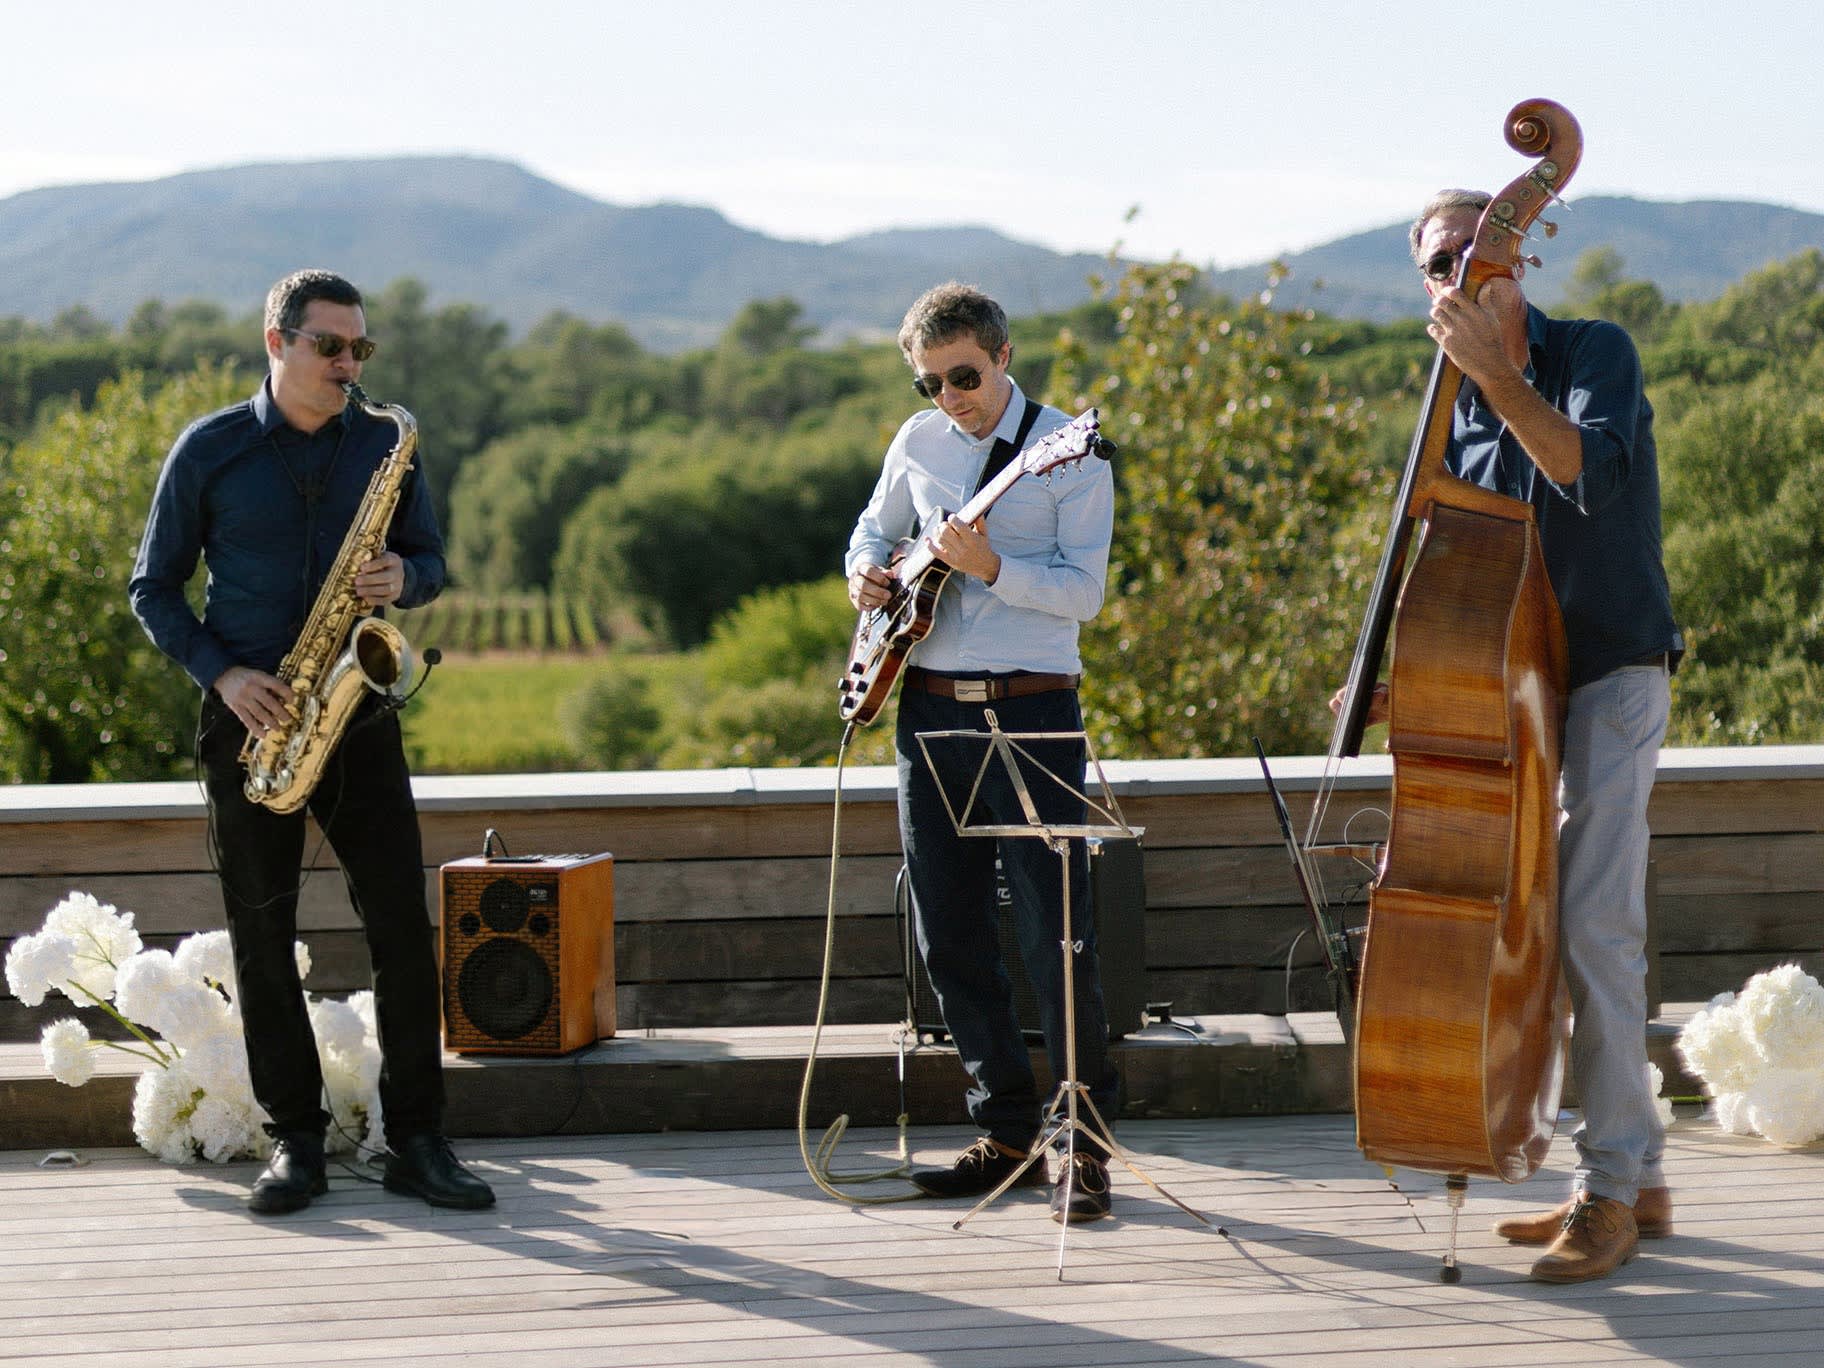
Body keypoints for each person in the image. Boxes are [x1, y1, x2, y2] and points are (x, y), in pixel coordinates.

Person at [1357, 191, 1682, 1281]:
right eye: (1438, 263)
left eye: (1474, 251)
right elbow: (1457, 563)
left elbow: (1584, 471)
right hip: (1513, 687)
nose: (1459, 272)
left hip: (1611, 669)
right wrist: (1400, 674)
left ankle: (1610, 1188)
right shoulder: (1448, 403)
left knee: (1594, 927)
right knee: (1539, 927)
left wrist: (1494, 374)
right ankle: (1641, 1180)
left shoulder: (1594, 352)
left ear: (1518, 257)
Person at [129, 269, 493, 1216]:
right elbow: (153, 589)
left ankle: (418, 1140)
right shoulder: (209, 449)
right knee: (261, 935)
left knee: (402, 931)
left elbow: (433, 562)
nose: (348, 365)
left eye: (360, 348)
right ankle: (294, 1141)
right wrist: (223, 674)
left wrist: (403, 578)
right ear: (277, 342)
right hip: (253, 719)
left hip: (355, 711)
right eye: (330, 346)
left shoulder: (383, 442)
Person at [846, 282, 1121, 1223]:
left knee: (1057, 935)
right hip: (926, 711)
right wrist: (864, 572)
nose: (948, 398)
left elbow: (1084, 594)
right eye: (929, 383)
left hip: (1033, 710)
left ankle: (1081, 1144)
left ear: (1004, 356)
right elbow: (872, 530)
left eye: (962, 376)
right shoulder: (917, 441)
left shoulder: (1068, 452)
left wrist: (991, 568)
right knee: (949, 932)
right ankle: (1002, 1132)